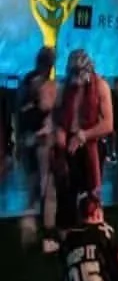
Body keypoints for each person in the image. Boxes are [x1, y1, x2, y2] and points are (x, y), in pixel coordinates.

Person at [57, 50, 115, 235]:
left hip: (92, 144)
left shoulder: (101, 87)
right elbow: (59, 118)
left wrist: (83, 135)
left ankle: (94, 229)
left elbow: (108, 124)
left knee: (90, 190)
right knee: (67, 189)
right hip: (69, 142)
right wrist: (60, 136)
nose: (78, 80)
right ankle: (66, 232)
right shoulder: (65, 88)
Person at [20, 47, 59, 253]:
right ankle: (47, 237)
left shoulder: (26, 80)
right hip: (42, 140)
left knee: (34, 185)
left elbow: (21, 112)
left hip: (27, 140)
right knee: (48, 188)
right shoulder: (42, 84)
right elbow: (45, 108)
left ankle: (28, 222)